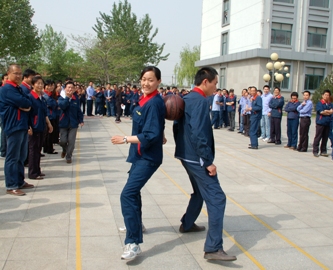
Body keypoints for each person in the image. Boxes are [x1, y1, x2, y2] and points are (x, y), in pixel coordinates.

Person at [175, 66, 236, 262]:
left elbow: (178, 127)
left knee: (200, 192)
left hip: (186, 155)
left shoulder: (185, 98)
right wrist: (207, 161)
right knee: (217, 198)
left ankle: (188, 223)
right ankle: (213, 248)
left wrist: (182, 150)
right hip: (197, 158)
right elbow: (199, 133)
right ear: (205, 82)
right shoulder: (200, 101)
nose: (216, 88)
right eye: (215, 83)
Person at [111, 66, 166, 260]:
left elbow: (150, 135)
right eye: (144, 79)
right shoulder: (145, 99)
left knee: (127, 194)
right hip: (139, 155)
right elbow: (158, 125)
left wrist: (125, 139)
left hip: (148, 158)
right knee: (133, 192)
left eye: (151, 80)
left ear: (158, 81)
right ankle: (136, 223)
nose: (146, 83)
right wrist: (162, 133)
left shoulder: (154, 102)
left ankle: (133, 242)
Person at [0, 64, 34, 196]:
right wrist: (23, 105)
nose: (18, 76)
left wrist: (23, 105)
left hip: (22, 125)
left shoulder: (17, 88)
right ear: (8, 73)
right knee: (12, 157)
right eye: (16, 73)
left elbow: (28, 101)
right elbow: (25, 102)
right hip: (13, 125)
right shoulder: (7, 89)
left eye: (20, 73)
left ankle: (20, 181)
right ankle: (11, 185)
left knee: (21, 156)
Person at [28, 76, 53, 179]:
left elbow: (44, 112)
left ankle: (37, 170)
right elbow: (27, 114)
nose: (40, 85)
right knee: (33, 150)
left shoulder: (42, 98)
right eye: (37, 83)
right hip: (33, 127)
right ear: (33, 85)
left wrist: (49, 124)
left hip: (41, 126)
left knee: (38, 149)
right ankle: (33, 173)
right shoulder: (30, 97)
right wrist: (28, 126)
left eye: (41, 83)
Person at [58, 81, 84, 164]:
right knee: (62, 141)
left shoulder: (76, 99)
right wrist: (67, 98)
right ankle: (64, 149)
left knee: (71, 142)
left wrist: (81, 120)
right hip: (63, 123)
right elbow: (63, 106)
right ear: (65, 89)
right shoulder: (61, 98)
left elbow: (78, 111)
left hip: (73, 124)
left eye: (72, 88)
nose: (70, 89)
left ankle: (69, 156)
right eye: (68, 87)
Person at [312, 89, 333, 157]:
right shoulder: (320, 103)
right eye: (325, 95)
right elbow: (321, 112)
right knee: (318, 137)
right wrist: (327, 112)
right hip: (320, 122)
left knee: (325, 137)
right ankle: (315, 151)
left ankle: (323, 151)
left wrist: (326, 111)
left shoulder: (330, 104)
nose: (327, 96)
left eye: (328, 95)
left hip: (327, 122)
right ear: (322, 95)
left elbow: (331, 111)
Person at [43, 80, 58, 154]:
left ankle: (47, 148)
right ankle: (49, 149)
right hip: (49, 116)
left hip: (52, 115)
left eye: (52, 85)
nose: (50, 87)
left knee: (49, 134)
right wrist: (55, 104)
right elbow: (52, 104)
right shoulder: (45, 95)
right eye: (48, 85)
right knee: (49, 133)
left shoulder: (50, 95)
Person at [0, 73, 8, 157]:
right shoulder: (2, 90)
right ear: (2, 80)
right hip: (3, 113)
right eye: (6, 78)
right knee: (4, 132)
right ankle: (3, 150)